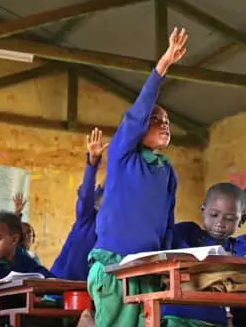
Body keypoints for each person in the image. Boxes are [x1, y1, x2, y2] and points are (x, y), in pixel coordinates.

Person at [88, 27, 187, 327]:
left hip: (148, 271)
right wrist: (163, 66)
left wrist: (164, 264)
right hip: (113, 268)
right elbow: (137, 112)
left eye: (167, 122)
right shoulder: (123, 155)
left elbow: (166, 222)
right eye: (155, 120)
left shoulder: (167, 171)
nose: (163, 124)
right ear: (139, 128)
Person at [163, 183, 246, 327]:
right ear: (203, 210)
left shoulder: (239, 247)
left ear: (242, 220)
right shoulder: (186, 234)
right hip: (178, 315)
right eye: (214, 215)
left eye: (230, 218)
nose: (220, 223)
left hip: (217, 320)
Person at [0, 211, 55, 326]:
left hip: (16, 318)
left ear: (14, 240)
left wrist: (47, 282)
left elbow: (45, 275)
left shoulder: (23, 259)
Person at [51, 128, 107, 282]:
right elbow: (86, 195)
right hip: (60, 283)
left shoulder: (115, 226)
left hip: (89, 288)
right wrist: (93, 163)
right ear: (96, 200)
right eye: (105, 192)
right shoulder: (87, 217)